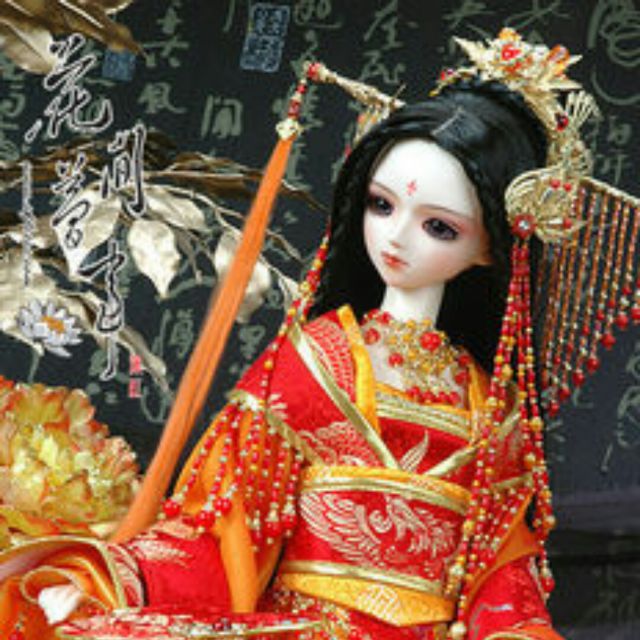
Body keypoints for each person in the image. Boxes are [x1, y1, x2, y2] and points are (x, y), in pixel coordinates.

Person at [2, 29, 634, 640]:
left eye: (439, 227)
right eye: (381, 205)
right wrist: (105, 582)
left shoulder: (494, 411)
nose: (396, 237)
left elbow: (503, 585)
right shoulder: (313, 363)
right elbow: (215, 531)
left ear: (492, 247)